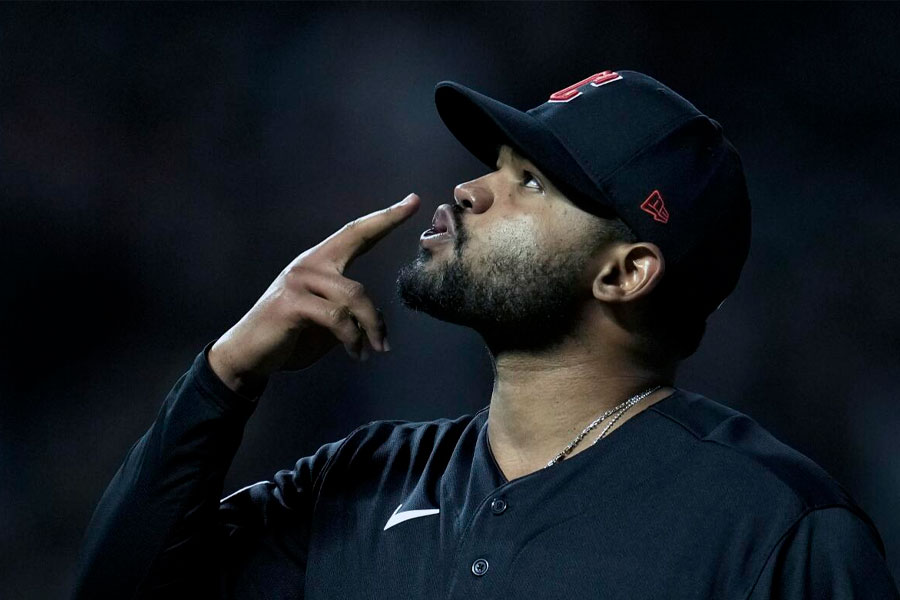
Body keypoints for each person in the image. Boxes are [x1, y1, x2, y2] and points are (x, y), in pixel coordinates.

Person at [72, 70, 899, 599]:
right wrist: (227, 373)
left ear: (624, 273)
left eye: (529, 182)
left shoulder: (776, 527)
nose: (469, 191)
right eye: (494, 167)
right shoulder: (362, 479)